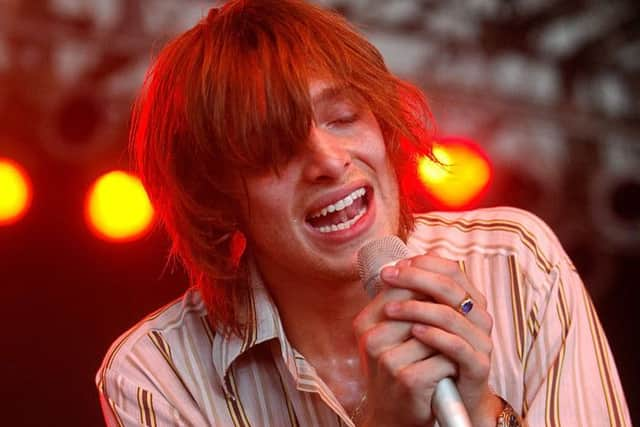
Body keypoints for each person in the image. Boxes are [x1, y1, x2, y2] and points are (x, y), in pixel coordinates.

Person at [96, 1, 631, 426]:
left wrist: (485, 414)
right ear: (214, 198)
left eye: (344, 116)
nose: (329, 161)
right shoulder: (158, 373)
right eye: (274, 148)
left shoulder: (516, 263)